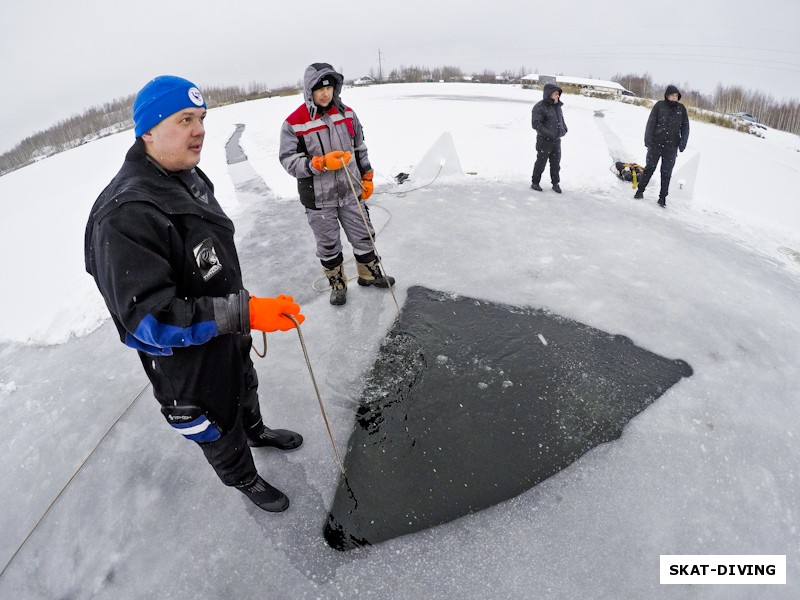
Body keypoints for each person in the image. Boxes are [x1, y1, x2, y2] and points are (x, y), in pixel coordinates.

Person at [85, 76, 306, 513]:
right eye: (185, 119)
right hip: (185, 362)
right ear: (147, 131)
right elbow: (150, 319)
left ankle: (257, 431)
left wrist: (241, 306)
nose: (199, 129)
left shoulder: (186, 173)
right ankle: (243, 478)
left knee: (243, 386)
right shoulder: (124, 216)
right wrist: (241, 312)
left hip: (224, 331)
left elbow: (207, 256)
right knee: (215, 423)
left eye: (201, 118)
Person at [279, 62, 394, 306]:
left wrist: (368, 176)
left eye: (329, 87)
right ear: (309, 90)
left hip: (351, 191)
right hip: (319, 199)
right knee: (328, 244)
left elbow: (359, 148)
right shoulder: (294, 123)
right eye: (319, 88)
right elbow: (288, 160)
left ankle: (368, 274)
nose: (325, 93)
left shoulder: (348, 114)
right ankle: (337, 283)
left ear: (335, 88)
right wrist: (319, 163)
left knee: (364, 234)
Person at [634, 85, 690, 207]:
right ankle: (640, 191)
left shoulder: (681, 109)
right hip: (655, 144)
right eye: (672, 95)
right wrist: (647, 140)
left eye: (676, 95)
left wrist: (683, 143)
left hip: (671, 147)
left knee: (666, 173)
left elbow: (685, 127)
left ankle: (662, 197)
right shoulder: (659, 105)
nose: (674, 97)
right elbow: (651, 123)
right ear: (666, 95)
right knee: (649, 168)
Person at [531, 83, 568, 194]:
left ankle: (555, 184)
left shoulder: (557, 106)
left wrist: (564, 129)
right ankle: (535, 182)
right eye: (556, 94)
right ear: (549, 94)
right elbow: (536, 124)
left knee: (556, 164)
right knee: (541, 162)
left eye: (558, 94)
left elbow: (561, 120)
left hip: (556, 141)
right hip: (544, 141)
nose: (558, 96)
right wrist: (548, 133)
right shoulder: (540, 106)